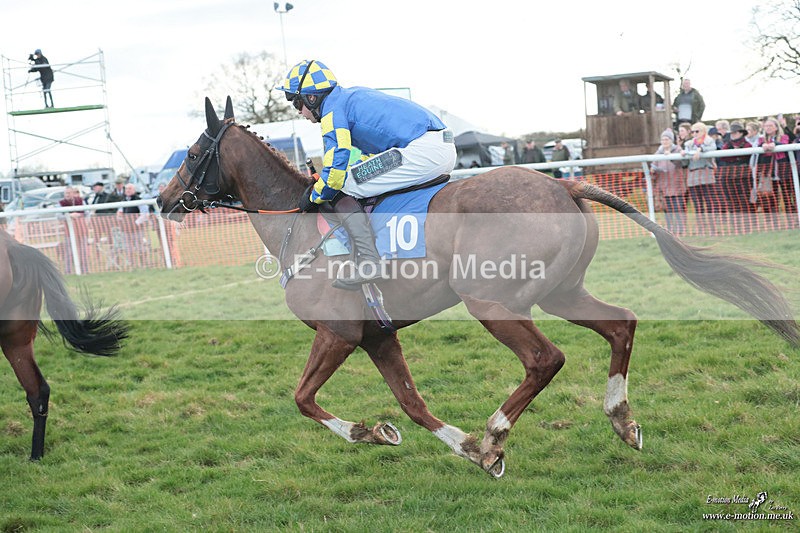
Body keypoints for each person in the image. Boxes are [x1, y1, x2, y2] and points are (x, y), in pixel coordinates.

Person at [279, 59, 456, 289]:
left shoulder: (333, 111)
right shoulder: (347, 98)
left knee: (340, 187)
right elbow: (362, 157)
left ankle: (369, 261)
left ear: (311, 98)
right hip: (437, 146)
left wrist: (314, 196)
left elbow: (335, 171)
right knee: (351, 178)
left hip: (423, 150)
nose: (299, 112)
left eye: (297, 103)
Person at [682, 122, 717, 235]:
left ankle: (712, 229)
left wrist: (700, 150)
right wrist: (683, 154)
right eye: (693, 131)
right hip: (693, 176)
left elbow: (713, 149)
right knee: (698, 205)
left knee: (710, 203)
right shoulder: (688, 144)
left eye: (697, 131)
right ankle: (701, 229)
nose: (695, 134)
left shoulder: (710, 141)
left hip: (706, 175)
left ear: (704, 131)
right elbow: (685, 160)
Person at [650, 129, 686, 235]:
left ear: (671, 140)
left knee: (678, 208)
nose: (664, 141)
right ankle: (670, 230)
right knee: (667, 210)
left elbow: (682, 163)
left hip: (676, 185)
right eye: (663, 139)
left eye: (667, 139)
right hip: (664, 186)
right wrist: (653, 170)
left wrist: (670, 156)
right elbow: (654, 165)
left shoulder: (678, 150)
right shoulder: (658, 152)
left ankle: (681, 229)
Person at [719, 122, 754, 233]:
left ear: (741, 133)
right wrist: (735, 156)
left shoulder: (747, 144)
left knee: (744, 201)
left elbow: (745, 155)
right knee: (732, 202)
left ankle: (747, 226)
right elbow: (723, 157)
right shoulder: (727, 144)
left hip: (744, 176)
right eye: (732, 133)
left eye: (735, 132)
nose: (733, 135)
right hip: (729, 177)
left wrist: (733, 156)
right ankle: (737, 227)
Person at [58, 186, 88, 272]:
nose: (67, 195)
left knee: (83, 251)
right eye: (66, 193)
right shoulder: (61, 203)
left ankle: (85, 270)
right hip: (69, 231)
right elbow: (58, 216)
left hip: (81, 229)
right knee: (69, 251)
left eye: (69, 193)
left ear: (73, 193)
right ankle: (68, 271)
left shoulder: (80, 201)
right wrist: (69, 216)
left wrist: (80, 216)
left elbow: (87, 212)